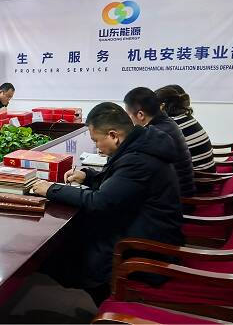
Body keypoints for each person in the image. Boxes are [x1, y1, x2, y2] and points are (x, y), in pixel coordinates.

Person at [30, 102, 183, 303]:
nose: (96, 147)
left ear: (113, 135)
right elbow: (121, 184)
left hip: (145, 246)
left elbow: (100, 201)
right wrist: (88, 176)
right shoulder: (142, 144)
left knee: (67, 250)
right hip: (145, 226)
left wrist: (51, 189)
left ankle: (108, 301)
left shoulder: (138, 160)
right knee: (72, 238)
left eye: (96, 140)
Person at [123, 87, 195, 198]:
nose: (128, 120)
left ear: (140, 115)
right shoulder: (167, 122)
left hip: (178, 199)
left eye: (128, 116)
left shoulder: (156, 134)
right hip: (181, 190)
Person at [156, 85, 216, 172]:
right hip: (208, 173)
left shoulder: (171, 125)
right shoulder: (185, 117)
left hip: (198, 177)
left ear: (162, 106)